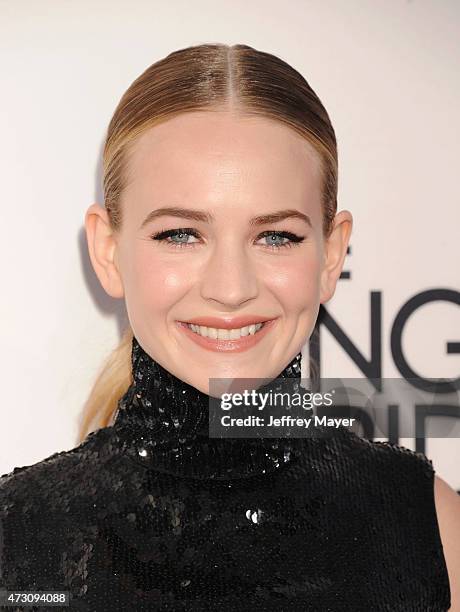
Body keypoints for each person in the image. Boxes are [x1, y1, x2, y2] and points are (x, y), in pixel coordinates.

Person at [0, 43, 459, 612]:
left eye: (276, 236)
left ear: (332, 255)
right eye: (180, 234)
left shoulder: (427, 524)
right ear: (109, 251)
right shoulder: (17, 540)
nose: (231, 286)